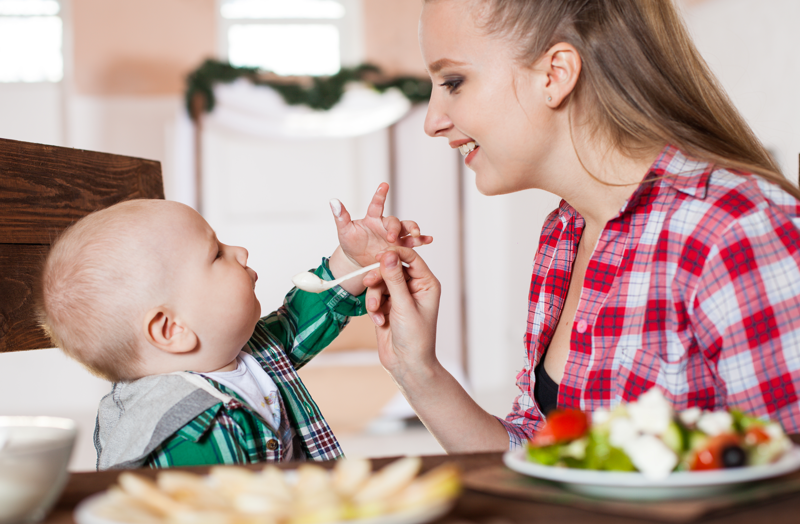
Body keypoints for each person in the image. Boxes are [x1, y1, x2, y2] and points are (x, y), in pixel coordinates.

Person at [361, 0, 800, 452]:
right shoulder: (565, 233)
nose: (433, 122)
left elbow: (786, 485)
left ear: (555, 75)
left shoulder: (737, 231)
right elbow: (545, 457)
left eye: (454, 81)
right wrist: (417, 369)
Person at [37, 185, 431, 469]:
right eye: (216, 254)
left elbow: (297, 325)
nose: (240, 251)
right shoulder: (189, 434)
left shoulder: (237, 356)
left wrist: (349, 262)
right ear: (171, 329)